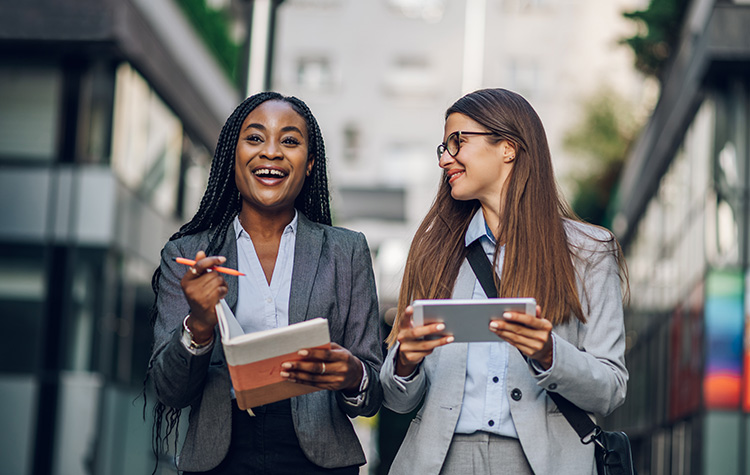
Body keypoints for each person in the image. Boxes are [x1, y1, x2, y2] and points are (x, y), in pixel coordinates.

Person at [380, 88, 628, 475]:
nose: (445, 158)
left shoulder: (591, 251)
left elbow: (610, 389)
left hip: (543, 463)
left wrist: (550, 354)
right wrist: (405, 363)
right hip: (440, 461)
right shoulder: (434, 251)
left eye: (457, 142)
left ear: (508, 147)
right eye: (442, 148)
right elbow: (396, 400)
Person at [148, 91, 382, 474]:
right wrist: (200, 324)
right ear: (232, 156)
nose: (271, 152)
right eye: (255, 138)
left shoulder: (347, 252)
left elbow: (371, 395)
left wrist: (353, 375)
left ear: (309, 164)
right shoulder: (187, 256)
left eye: (289, 141)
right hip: (221, 458)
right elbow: (171, 391)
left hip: (319, 459)